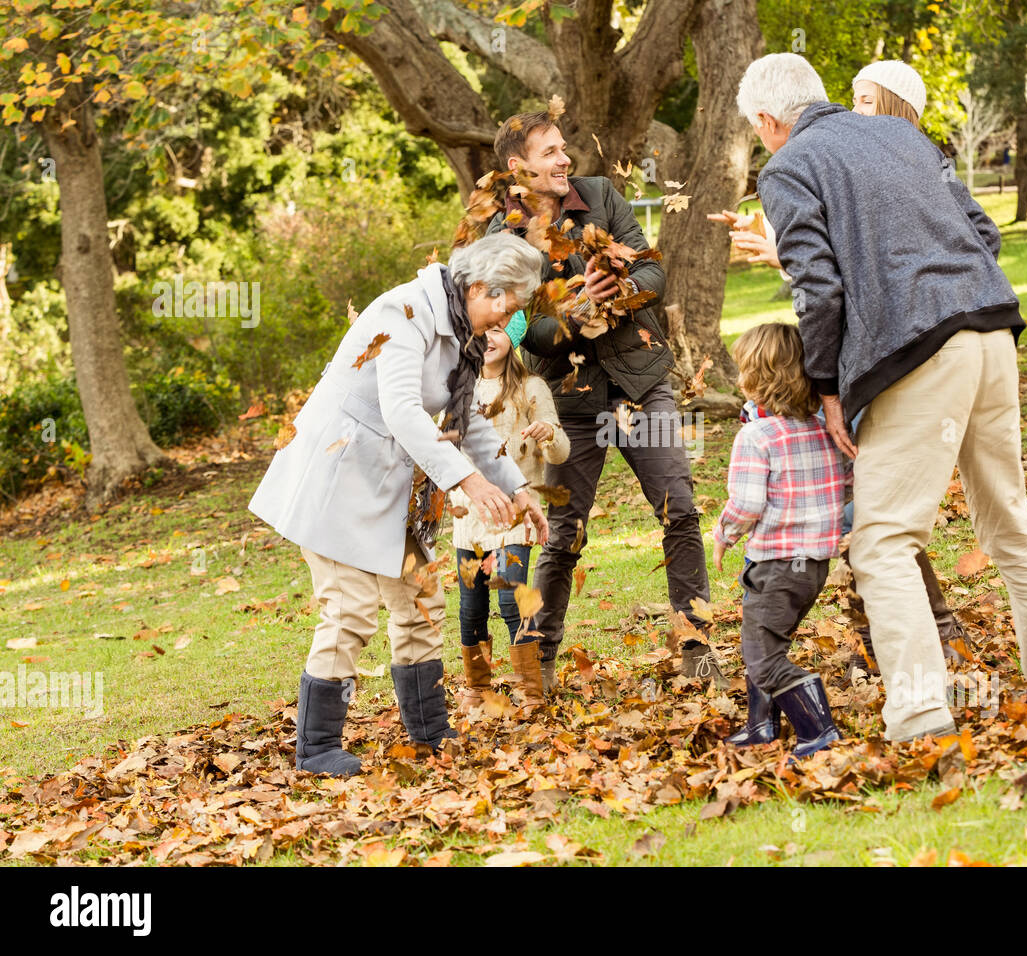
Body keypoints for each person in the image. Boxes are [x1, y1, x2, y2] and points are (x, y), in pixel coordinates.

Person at [736, 52, 1027, 742]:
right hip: (989, 326)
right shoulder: (904, 137)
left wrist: (831, 386)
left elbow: (818, 288)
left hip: (919, 351)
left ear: (768, 121)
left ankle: (922, 712)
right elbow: (981, 235)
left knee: (882, 541)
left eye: (758, 131)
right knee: (1009, 520)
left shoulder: (786, 168)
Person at [248, 232, 550, 776]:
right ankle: (316, 748)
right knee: (348, 610)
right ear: (481, 287)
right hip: (337, 480)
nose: (503, 325)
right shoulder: (402, 313)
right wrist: (468, 484)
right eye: (504, 308)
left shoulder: (461, 330)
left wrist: (515, 487)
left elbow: (468, 423)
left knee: (419, 601)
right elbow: (404, 411)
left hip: (392, 486)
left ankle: (430, 732)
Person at [711, 60, 972, 685]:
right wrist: (781, 253)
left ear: (768, 122)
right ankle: (901, 634)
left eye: (866, 96)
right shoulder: (885, 152)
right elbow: (846, 269)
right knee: (868, 509)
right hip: (914, 346)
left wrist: (826, 388)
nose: (858, 109)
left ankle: (925, 640)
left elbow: (831, 289)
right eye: (851, 95)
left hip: (880, 359)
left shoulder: (806, 162)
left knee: (870, 516)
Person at [485, 110, 725, 692]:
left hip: (641, 384)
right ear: (518, 167)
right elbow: (522, 330)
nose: (564, 159)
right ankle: (537, 663)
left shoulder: (598, 195)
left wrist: (615, 291)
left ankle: (696, 646)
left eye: (565, 148)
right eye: (549, 153)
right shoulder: (503, 235)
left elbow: (653, 276)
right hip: (567, 402)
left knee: (681, 510)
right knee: (562, 534)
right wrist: (571, 309)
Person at [715, 323, 843, 757]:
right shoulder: (824, 430)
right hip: (815, 565)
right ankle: (761, 725)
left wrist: (724, 534)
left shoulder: (757, 436)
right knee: (764, 641)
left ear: (756, 378)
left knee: (763, 657)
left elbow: (747, 503)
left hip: (775, 565)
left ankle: (818, 730)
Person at [450, 311, 570, 711]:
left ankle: (529, 688)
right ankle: (477, 688)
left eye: (497, 330)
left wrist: (549, 435)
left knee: (510, 599)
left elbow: (561, 447)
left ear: (512, 338)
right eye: (480, 331)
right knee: (471, 607)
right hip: (468, 519)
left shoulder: (530, 387)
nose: (487, 338)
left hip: (514, 518)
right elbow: (441, 445)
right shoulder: (458, 386)